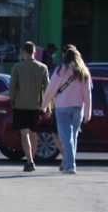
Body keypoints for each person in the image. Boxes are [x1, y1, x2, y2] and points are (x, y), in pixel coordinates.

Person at [41, 45, 93, 174]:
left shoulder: (60, 70)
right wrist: (88, 112)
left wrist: (44, 105)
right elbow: (87, 94)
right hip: (78, 108)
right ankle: (67, 163)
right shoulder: (84, 71)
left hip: (62, 107)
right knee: (73, 137)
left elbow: (51, 89)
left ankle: (70, 165)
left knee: (66, 138)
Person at [8, 41, 50, 172]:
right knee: (33, 133)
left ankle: (29, 161)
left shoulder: (17, 67)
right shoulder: (43, 68)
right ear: (34, 52)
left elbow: (12, 88)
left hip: (21, 104)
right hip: (35, 105)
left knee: (24, 133)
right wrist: (47, 105)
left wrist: (13, 102)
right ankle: (32, 159)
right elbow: (47, 88)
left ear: (23, 52)